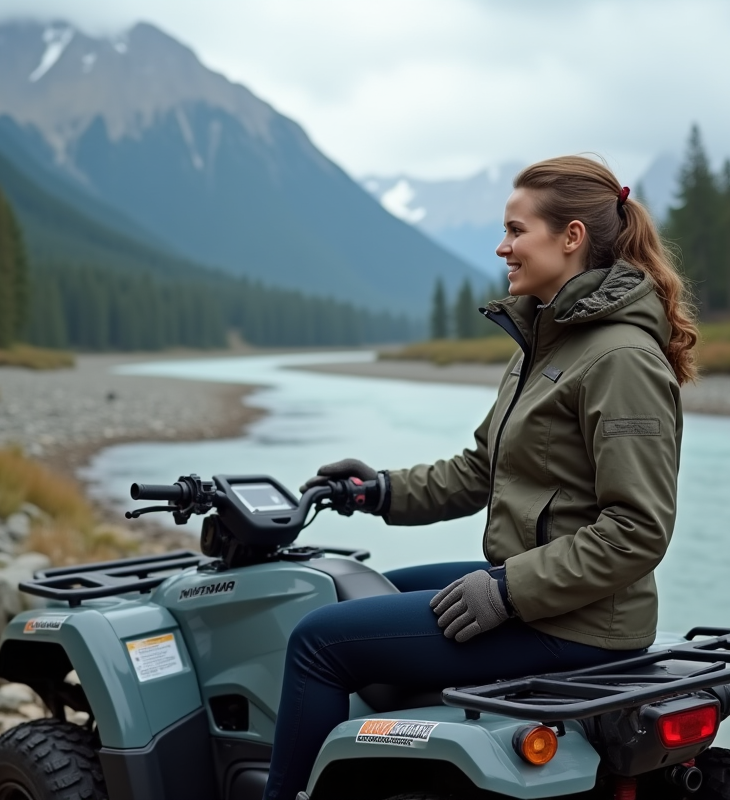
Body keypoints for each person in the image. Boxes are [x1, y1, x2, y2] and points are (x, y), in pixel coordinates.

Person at [263, 155, 698, 800]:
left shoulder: (620, 359)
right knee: (356, 593)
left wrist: (507, 591)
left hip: (580, 624)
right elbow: (481, 470)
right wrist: (378, 491)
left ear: (571, 237)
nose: (503, 248)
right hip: (543, 594)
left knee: (316, 643)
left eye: (517, 231)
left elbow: (636, 531)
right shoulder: (551, 341)